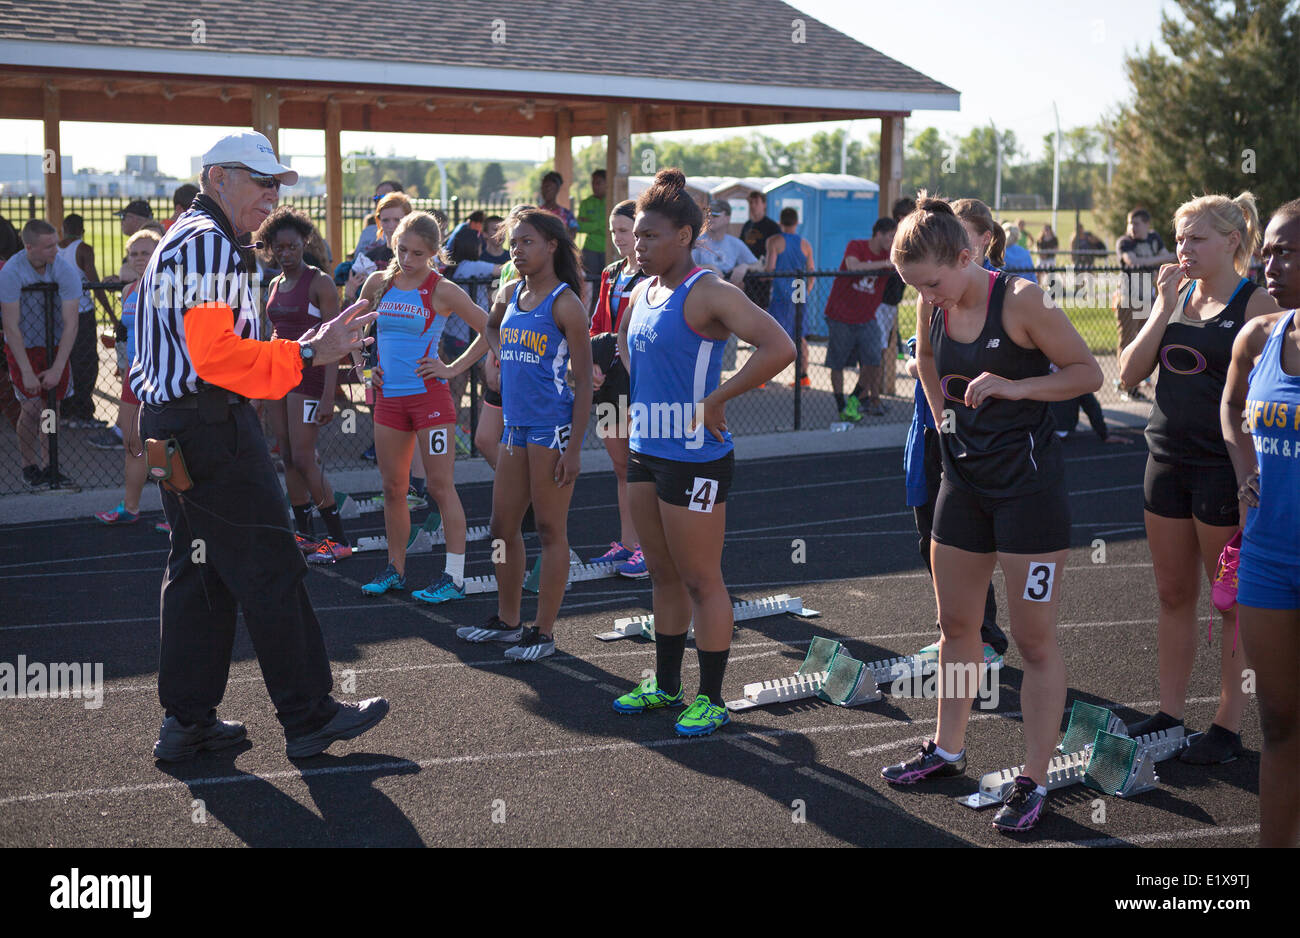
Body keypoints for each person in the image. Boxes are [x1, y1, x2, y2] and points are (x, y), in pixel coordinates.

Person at [129, 131, 389, 760]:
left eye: (276, 184)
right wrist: (308, 351)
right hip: (210, 427)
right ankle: (307, 715)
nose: (272, 196)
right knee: (270, 566)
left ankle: (186, 721)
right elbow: (216, 358)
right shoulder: (208, 245)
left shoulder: (187, 238)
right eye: (261, 181)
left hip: (175, 428)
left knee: (197, 570)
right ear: (218, 178)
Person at [881, 196, 1102, 833]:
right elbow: (925, 361)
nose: (926, 296)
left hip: (1029, 493)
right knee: (957, 625)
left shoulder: (1025, 300)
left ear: (966, 254)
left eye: (931, 282)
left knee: (1033, 642)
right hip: (964, 484)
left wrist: (1014, 387)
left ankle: (1033, 777)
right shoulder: (932, 300)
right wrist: (946, 424)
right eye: (914, 287)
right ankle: (948, 749)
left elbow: (1086, 373)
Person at [608, 168, 794, 735]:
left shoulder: (708, 289)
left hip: (696, 459)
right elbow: (626, 346)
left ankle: (711, 697)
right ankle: (666, 687)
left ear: (685, 236)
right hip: (645, 448)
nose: (638, 246)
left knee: (701, 579)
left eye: (650, 237)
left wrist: (716, 398)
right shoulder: (642, 290)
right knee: (662, 575)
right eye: (635, 236)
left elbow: (779, 345)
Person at [1118, 192, 1277, 763]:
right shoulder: (1175, 295)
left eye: (1197, 239)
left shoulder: (1256, 303)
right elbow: (1129, 374)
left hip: (1221, 470)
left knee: (1227, 601)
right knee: (1172, 593)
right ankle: (1169, 713)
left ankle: (1227, 727)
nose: (1183, 249)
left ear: (1232, 241)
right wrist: (1162, 309)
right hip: (1164, 459)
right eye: (1180, 239)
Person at [461, 208, 592, 661]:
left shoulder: (565, 303)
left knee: (551, 530)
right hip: (515, 429)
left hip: (551, 431)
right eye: (513, 243)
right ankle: (508, 620)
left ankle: (544, 631)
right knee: (501, 528)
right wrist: (498, 354)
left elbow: (583, 386)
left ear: (552, 245)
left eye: (526, 242)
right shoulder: (512, 292)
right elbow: (490, 325)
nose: (517, 250)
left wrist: (574, 448)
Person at [357, 212, 490, 604]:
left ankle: (454, 577)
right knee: (393, 488)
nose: (408, 258)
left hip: (429, 400)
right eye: (402, 249)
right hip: (390, 401)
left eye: (418, 252)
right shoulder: (379, 283)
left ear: (434, 253)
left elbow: (491, 328)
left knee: (438, 486)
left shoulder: (442, 289)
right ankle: (395, 569)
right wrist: (366, 372)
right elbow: (353, 329)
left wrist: (451, 368)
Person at [1220, 197, 1300, 847]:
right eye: (1267, 250)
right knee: (1278, 724)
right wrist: (1246, 472)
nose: (1270, 263)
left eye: (1287, 252)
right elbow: (1231, 407)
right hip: (1270, 555)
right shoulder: (1261, 334)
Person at [905, 196, 1009, 667]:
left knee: (971, 540)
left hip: (983, 441)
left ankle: (983, 637)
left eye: (962, 237)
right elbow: (922, 355)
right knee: (931, 535)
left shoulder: (1009, 296)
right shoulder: (932, 295)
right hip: (932, 430)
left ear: (980, 243)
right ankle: (955, 633)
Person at [255, 207, 353, 563]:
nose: (285, 253)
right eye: (278, 248)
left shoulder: (321, 282)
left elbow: (335, 340)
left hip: (308, 375)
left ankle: (338, 539)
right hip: (279, 374)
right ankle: (305, 535)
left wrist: (330, 395)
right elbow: (272, 336)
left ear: (304, 243)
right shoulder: (274, 284)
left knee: (303, 456)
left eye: (291, 246)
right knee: (287, 458)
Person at [589, 198, 650, 576]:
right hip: (608, 379)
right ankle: (627, 543)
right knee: (620, 466)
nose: (619, 238)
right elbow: (598, 324)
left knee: (641, 466)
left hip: (638, 376)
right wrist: (591, 366)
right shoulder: (610, 272)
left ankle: (647, 548)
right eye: (614, 231)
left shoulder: (653, 275)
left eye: (625, 231)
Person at [1, 218, 82, 490]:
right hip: (24, 345)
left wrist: (58, 367)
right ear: (29, 247)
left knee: (52, 407)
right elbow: (10, 326)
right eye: (48, 246)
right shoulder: (12, 271)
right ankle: (29, 464)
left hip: (54, 344)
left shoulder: (63, 268)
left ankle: (50, 464)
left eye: (55, 244)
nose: (55, 251)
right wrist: (25, 371)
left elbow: (72, 322)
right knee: (32, 407)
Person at [94, 229, 164, 526]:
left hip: (160, 377)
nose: (138, 259)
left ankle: (180, 516)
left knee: (162, 446)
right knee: (132, 442)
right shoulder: (129, 289)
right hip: (134, 376)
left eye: (145, 253)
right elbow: (127, 335)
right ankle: (130, 508)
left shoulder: (166, 288)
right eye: (133, 253)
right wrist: (124, 370)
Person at [823, 217, 897, 420]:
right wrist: (883, 263)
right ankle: (841, 405)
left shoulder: (891, 255)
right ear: (879, 234)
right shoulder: (857, 246)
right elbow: (852, 265)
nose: (893, 241)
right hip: (840, 315)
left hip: (866, 318)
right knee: (837, 363)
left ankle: (855, 399)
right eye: (890, 236)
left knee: (873, 360)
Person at [440, 224, 502, 454]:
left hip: (454, 335)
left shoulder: (453, 269)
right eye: (479, 243)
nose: (482, 246)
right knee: (492, 386)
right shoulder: (470, 266)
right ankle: (464, 429)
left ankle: (456, 430)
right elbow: (502, 268)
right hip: (466, 338)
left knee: (457, 389)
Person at [57, 213, 114, 428]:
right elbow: (95, 284)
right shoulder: (83, 249)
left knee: (65, 362)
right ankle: (83, 414)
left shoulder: (55, 249)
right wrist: (111, 316)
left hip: (60, 313)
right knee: (87, 363)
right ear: (83, 230)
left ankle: (66, 412)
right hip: (81, 313)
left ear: (63, 228)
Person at [1115, 208, 1178, 400]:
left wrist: (1151, 261)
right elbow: (1132, 262)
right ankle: (1125, 384)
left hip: (1147, 296)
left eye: (1136, 223)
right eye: (1129, 223)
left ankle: (1141, 377)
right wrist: (1158, 260)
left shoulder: (1154, 238)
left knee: (1147, 338)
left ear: (1147, 224)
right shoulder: (1125, 241)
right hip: (1128, 296)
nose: (1131, 227)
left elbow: (1171, 257)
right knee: (1127, 340)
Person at [766, 207, 814, 387]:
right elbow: (811, 271)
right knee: (800, 336)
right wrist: (806, 290)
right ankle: (803, 377)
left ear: (780, 222)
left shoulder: (775, 241)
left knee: (771, 335)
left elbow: (770, 270)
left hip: (781, 293)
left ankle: (763, 377)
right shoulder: (805, 244)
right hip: (799, 292)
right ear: (796, 223)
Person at [692, 200, 761, 286]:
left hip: (728, 296)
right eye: (708, 214)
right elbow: (684, 269)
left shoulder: (735, 243)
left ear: (727, 218)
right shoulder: (697, 242)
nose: (710, 217)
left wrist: (745, 266)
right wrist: (709, 268)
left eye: (715, 215)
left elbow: (759, 266)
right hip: (703, 295)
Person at [739, 189, 780, 309]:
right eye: (751, 202)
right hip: (748, 276)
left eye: (756, 202)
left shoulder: (772, 226)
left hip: (763, 277)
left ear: (764, 204)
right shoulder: (747, 225)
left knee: (763, 310)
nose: (753, 206)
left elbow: (778, 251)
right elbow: (740, 249)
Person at [352, 179, 403, 260]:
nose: (381, 201)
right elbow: (356, 261)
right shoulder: (367, 231)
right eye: (377, 198)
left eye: (386, 197)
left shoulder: (410, 234)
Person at [577, 169, 608, 284]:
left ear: (607, 183)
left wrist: (591, 224)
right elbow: (580, 227)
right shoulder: (586, 203)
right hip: (590, 248)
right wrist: (603, 222)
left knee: (608, 281)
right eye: (593, 183)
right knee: (590, 282)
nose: (595, 186)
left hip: (609, 248)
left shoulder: (612, 201)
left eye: (598, 182)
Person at [538, 170, 579, 235]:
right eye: (544, 187)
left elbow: (573, 234)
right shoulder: (536, 213)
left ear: (557, 189)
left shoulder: (567, 214)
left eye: (550, 188)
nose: (546, 191)